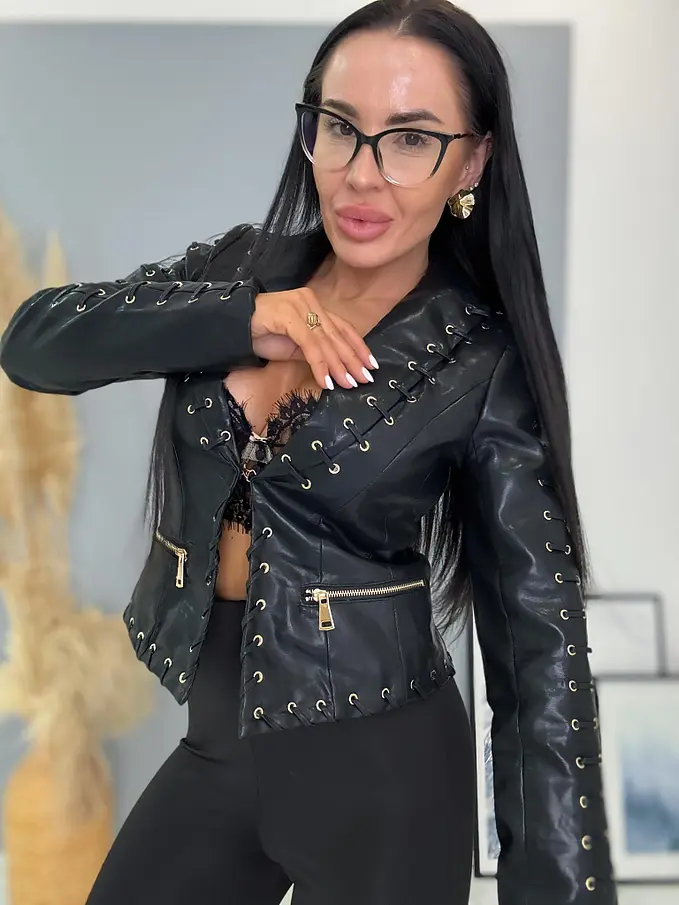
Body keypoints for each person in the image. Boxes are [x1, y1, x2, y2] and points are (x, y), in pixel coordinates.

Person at [0, 2, 618, 904]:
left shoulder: (479, 362)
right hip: (217, 749)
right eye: (339, 128)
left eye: (410, 140)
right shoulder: (237, 270)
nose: (361, 173)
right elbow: (34, 343)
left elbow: (540, 663)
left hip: (387, 781)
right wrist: (242, 318)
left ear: (470, 162)